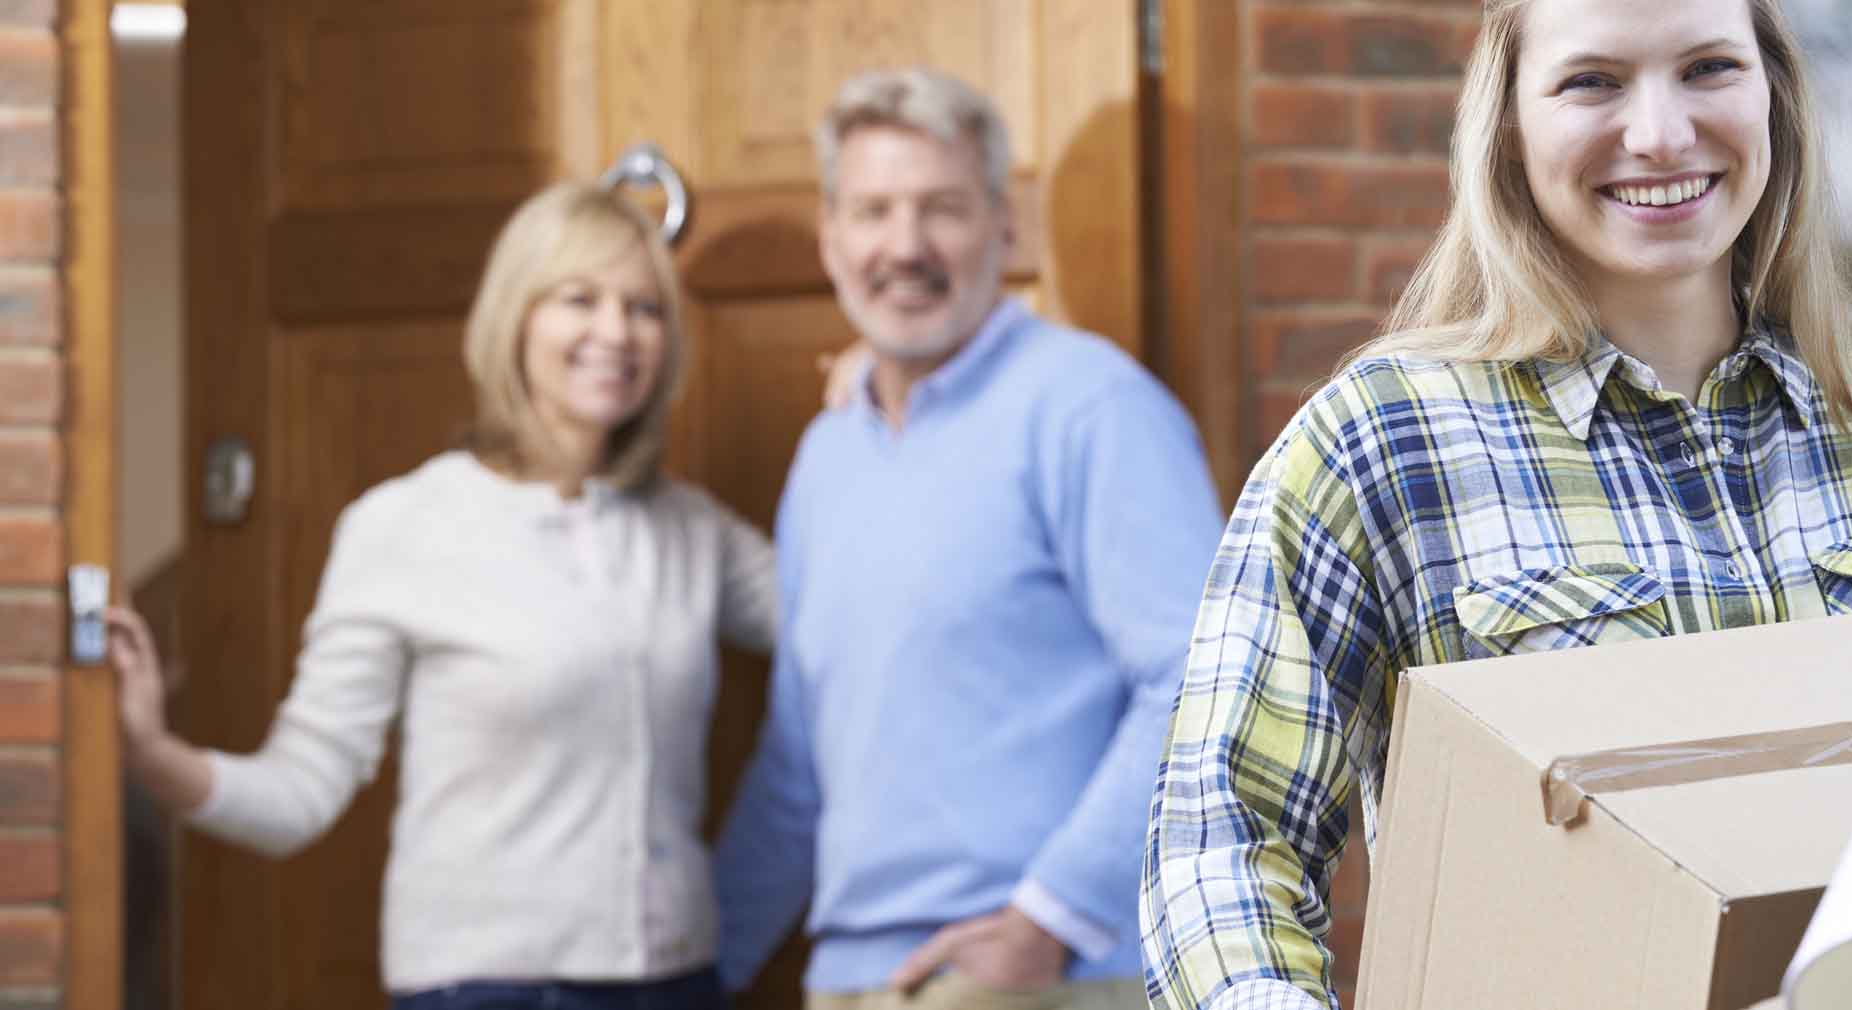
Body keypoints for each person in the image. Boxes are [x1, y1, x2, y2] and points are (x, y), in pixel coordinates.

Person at [1138, 0, 1852, 1006]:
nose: (1660, 133)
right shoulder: (1383, 443)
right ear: (1509, 125)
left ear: (1773, 97)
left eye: (1707, 68)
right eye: (1592, 81)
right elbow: (1223, 843)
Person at [105, 183, 773, 1010]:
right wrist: (150, 757)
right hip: (486, 990)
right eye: (579, 299)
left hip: (677, 982)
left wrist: (883, 392)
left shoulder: (692, 531)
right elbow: (301, 790)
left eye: (644, 308)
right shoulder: (404, 527)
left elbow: (858, 629)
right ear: (515, 320)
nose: (616, 332)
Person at [712, 68, 1221, 1010]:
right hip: (848, 981)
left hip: (1036, 979)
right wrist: (706, 969)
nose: (905, 247)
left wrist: (1050, 920)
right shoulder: (826, 456)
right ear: (832, 238)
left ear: (1004, 227)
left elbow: (1201, 678)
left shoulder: (1090, 406)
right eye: (873, 212)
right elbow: (798, 761)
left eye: (941, 208)